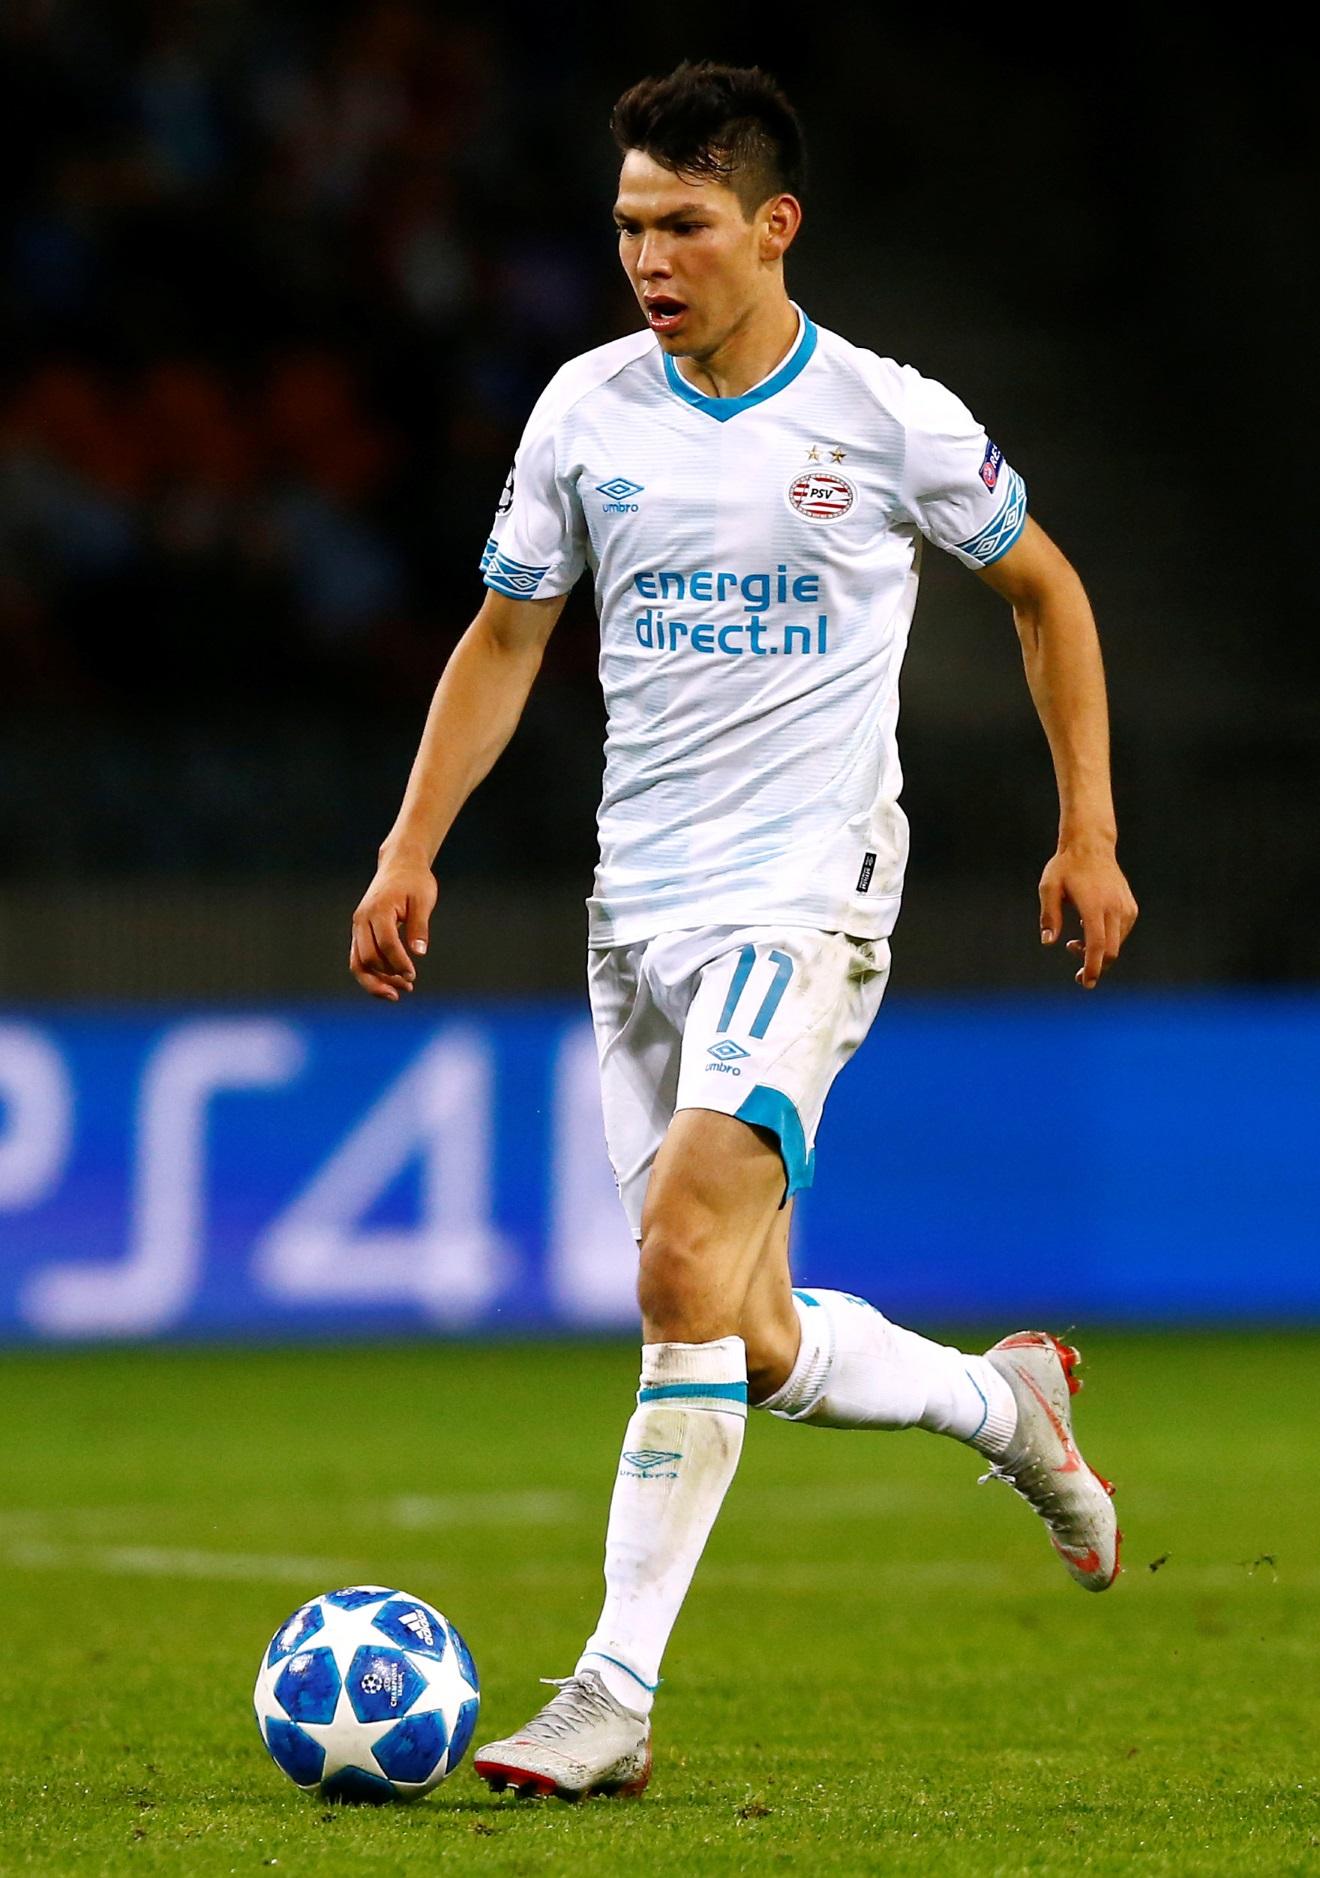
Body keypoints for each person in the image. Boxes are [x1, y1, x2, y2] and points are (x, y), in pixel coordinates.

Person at [349, 59, 1139, 1802]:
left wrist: (1086, 826)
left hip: (807, 887)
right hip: (638, 906)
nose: (649, 256)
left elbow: (1048, 591)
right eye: (630, 224)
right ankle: (1006, 1404)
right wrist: (411, 847)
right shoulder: (583, 411)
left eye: (685, 224)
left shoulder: (886, 416)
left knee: (678, 1263)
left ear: (774, 227)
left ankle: (611, 1692)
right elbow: (504, 638)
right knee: (745, 1328)